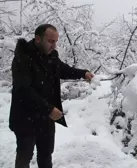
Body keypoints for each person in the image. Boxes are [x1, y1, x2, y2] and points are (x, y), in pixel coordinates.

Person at [9, 24, 94, 168]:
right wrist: (49, 109)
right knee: (24, 155)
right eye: (50, 41)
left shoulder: (51, 56)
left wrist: (82, 73)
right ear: (38, 39)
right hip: (25, 117)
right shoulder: (22, 58)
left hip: (44, 118)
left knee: (46, 154)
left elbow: (63, 69)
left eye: (56, 41)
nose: (54, 45)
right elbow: (24, 90)